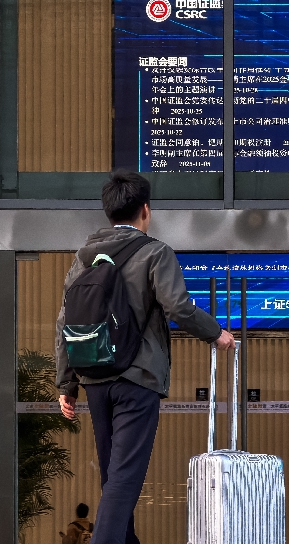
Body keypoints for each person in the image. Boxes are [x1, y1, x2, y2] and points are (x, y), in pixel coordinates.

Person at [55, 170, 233, 544]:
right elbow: (179, 308)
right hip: (137, 379)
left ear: (109, 212)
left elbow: (65, 321)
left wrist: (66, 384)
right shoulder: (155, 252)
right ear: (146, 211)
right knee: (124, 478)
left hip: (94, 379)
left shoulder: (83, 258)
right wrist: (216, 333)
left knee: (115, 477)